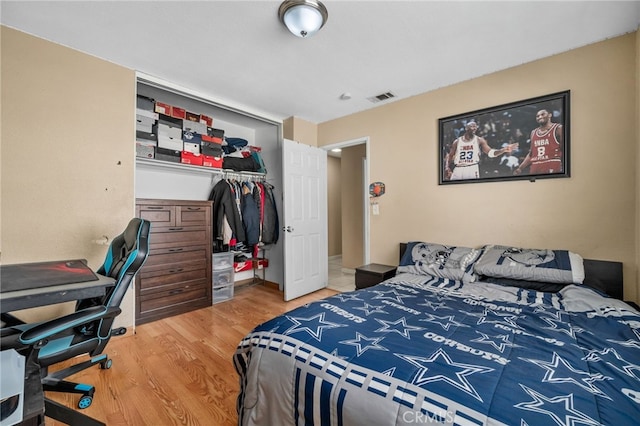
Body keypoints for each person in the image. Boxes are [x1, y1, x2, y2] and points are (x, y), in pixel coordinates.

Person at [444, 120, 518, 180]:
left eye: (475, 127)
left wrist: (503, 150)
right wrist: (447, 167)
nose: (474, 128)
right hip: (458, 168)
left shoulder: (479, 140)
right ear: (466, 128)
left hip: (472, 168)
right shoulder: (457, 141)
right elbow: (450, 156)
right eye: (472, 126)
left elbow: (490, 153)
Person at [514, 109, 563, 175]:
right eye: (537, 116)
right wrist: (520, 168)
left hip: (552, 163)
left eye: (543, 114)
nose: (540, 117)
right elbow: (531, 154)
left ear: (550, 115)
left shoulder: (558, 128)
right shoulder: (533, 132)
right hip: (535, 166)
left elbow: (565, 149)